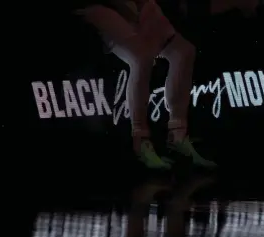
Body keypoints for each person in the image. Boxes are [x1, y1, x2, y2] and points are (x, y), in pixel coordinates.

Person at [76, 0, 217, 169]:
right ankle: (140, 142)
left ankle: (178, 136)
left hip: (136, 4)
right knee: (142, 57)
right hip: (103, 5)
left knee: (183, 52)